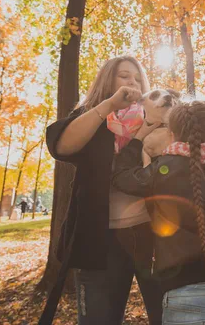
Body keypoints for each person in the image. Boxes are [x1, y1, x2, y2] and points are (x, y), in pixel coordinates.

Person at [112, 100, 205, 325]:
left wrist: (136, 140)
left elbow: (121, 177)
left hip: (186, 295)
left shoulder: (162, 169)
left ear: (172, 133)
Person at [39, 56, 163, 325]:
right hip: (100, 240)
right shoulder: (91, 117)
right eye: (124, 76)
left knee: (168, 316)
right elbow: (61, 146)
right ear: (109, 80)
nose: (133, 81)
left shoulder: (154, 118)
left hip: (153, 236)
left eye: (138, 77)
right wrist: (108, 106)